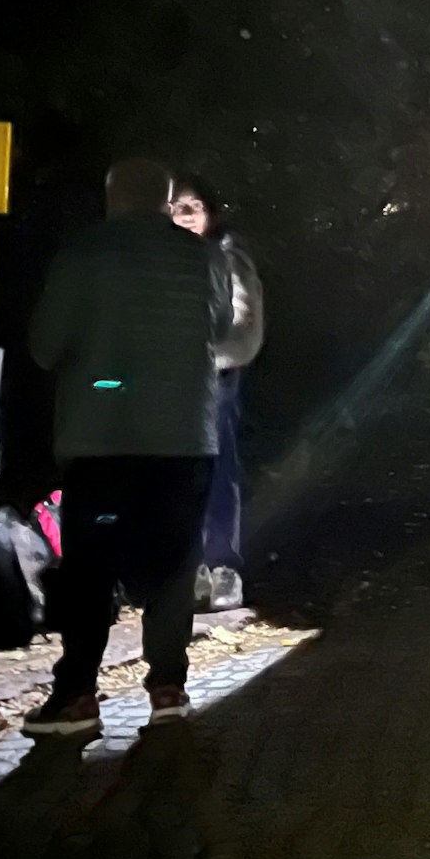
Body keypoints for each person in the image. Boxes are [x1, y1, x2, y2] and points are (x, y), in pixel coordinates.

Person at [22, 158, 231, 737]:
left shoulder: (83, 254)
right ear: (166, 201)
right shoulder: (204, 259)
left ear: (112, 198)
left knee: (90, 567)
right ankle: (168, 688)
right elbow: (219, 328)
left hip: (101, 438)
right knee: (173, 565)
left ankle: (76, 697)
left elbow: (46, 345)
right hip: (184, 436)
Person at [173, 178, 265, 612]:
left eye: (192, 207)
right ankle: (189, 568)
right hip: (169, 381)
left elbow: (245, 323)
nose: (184, 216)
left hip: (215, 379)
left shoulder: (228, 258)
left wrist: (208, 357)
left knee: (217, 469)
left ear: (210, 213)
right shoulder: (160, 259)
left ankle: (224, 567)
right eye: (175, 208)